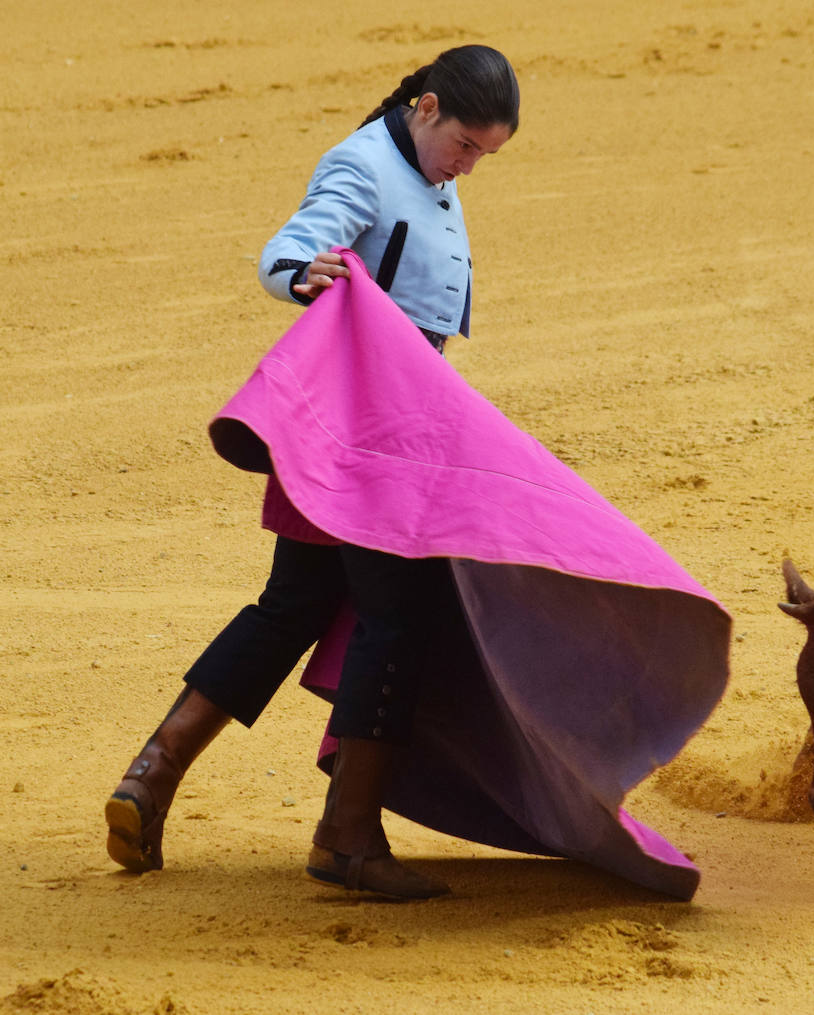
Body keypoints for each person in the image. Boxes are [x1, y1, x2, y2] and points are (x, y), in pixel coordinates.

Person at [104, 45, 521, 901]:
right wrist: (304, 272)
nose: (469, 165)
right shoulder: (365, 161)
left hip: (372, 421)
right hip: (366, 432)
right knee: (395, 614)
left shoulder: (421, 166)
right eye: (467, 144)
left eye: (485, 154)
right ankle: (348, 834)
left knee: (293, 602)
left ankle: (153, 770)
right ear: (427, 106)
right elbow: (293, 246)